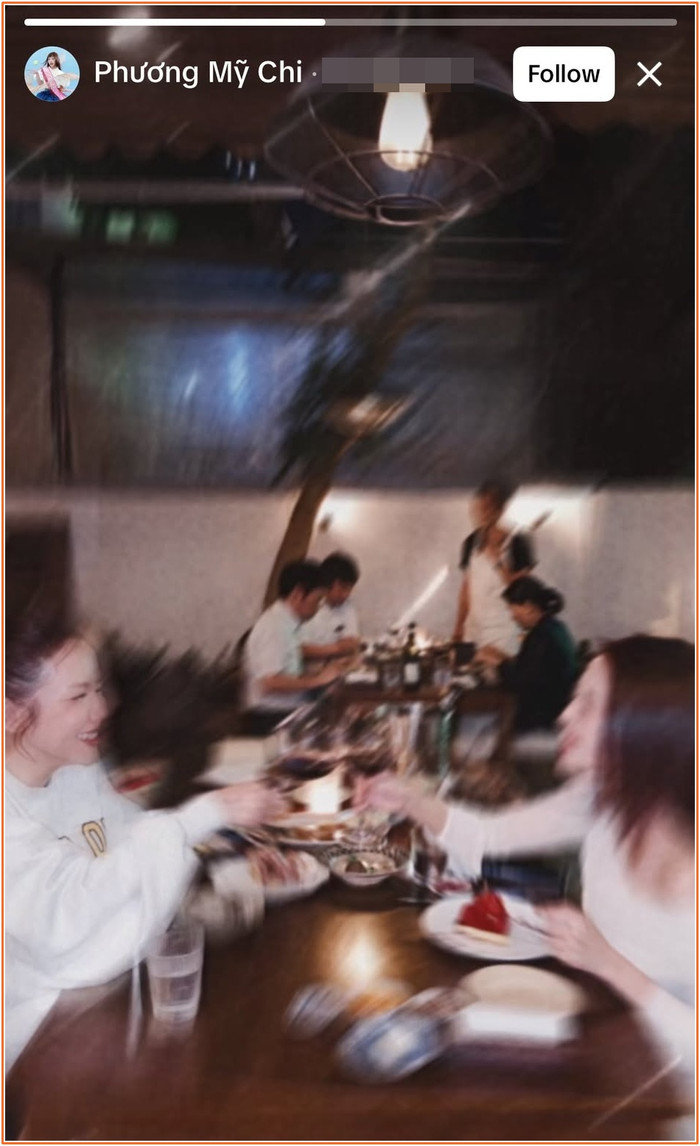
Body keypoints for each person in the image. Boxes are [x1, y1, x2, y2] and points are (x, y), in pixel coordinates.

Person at [357, 636, 694, 1070]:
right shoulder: (602, 798)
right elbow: (490, 835)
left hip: (659, 1084)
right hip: (598, 1039)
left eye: (588, 705)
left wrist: (611, 964)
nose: (564, 715)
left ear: (644, 729)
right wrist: (409, 801)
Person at [4, 614, 285, 1074]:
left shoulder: (74, 768)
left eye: (100, 689)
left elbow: (131, 835)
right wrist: (202, 816)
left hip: (111, 1001)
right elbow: (68, 923)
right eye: (78, 696)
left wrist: (226, 843)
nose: (102, 708)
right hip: (36, 1048)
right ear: (12, 712)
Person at [243, 560, 343, 723]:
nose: (318, 607)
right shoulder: (274, 626)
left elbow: (287, 673)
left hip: (284, 711)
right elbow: (270, 683)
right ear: (298, 594)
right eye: (317, 599)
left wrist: (323, 673)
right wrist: (318, 680)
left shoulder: (286, 623)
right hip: (271, 717)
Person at [474, 576, 578, 732]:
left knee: (479, 725)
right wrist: (501, 656)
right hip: (554, 710)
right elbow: (533, 668)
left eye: (513, 609)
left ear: (528, 607)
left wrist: (496, 662)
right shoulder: (554, 627)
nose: (512, 616)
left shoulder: (541, 635)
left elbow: (522, 683)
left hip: (544, 719)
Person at [452, 479, 534, 656]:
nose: (481, 514)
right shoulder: (470, 542)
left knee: (501, 671)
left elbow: (524, 592)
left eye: (487, 508)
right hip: (474, 630)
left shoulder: (518, 541)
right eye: (478, 508)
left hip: (504, 632)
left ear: (501, 510)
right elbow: (466, 588)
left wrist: (497, 561)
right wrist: (458, 627)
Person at [301, 552, 361, 663]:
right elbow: (301, 650)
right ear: (327, 583)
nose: (346, 594)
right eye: (343, 588)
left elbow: (351, 642)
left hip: (337, 665)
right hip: (309, 668)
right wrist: (337, 648)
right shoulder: (307, 607)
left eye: (350, 589)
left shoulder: (346, 606)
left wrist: (340, 648)